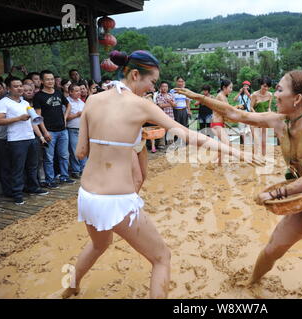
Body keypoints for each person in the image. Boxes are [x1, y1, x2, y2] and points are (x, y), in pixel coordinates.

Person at [61, 49, 259, 299]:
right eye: (151, 82)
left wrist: (113, 144)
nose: (152, 88)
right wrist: (235, 151)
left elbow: (80, 152)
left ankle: (70, 286)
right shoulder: (141, 105)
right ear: (135, 74)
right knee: (162, 258)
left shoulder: (92, 100)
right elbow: (188, 134)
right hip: (116, 200)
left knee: (99, 244)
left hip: (87, 196)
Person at [175, 70, 302, 299]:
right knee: (272, 250)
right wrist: (198, 97)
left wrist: (277, 193)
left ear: (297, 98)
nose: (275, 94)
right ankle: (251, 282)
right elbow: (234, 113)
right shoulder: (279, 121)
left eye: (280, 90)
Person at [0, 77, 48, 205]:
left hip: (30, 138)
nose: (20, 88)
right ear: (8, 88)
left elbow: (32, 121)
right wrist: (18, 118)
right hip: (16, 140)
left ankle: (33, 188)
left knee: (32, 166)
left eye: (21, 86)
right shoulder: (3, 102)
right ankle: (17, 194)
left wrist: (40, 136)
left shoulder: (25, 103)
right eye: (16, 86)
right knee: (17, 168)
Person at [33, 70, 75, 188]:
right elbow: (38, 118)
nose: (50, 81)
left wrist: (65, 118)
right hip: (49, 131)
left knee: (64, 155)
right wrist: (45, 132)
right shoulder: (39, 96)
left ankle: (64, 176)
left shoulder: (58, 92)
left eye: (52, 79)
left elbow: (68, 105)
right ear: (42, 81)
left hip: (62, 129)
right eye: (47, 79)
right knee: (49, 158)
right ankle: (50, 180)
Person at [66, 84, 86, 178]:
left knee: (83, 150)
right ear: (70, 92)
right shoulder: (66, 102)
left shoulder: (82, 102)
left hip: (82, 129)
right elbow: (65, 117)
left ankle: (84, 169)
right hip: (72, 129)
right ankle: (76, 170)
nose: (79, 92)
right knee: (74, 151)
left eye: (80, 90)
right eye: (77, 91)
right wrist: (77, 115)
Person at [250, 77, 273, 155]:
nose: (266, 88)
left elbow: (269, 107)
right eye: (264, 86)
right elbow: (251, 107)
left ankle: (263, 157)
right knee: (257, 141)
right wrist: (256, 115)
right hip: (255, 120)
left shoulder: (270, 95)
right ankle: (256, 157)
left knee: (264, 141)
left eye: (267, 86)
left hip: (265, 120)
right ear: (261, 85)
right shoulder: (255, 94)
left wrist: (270, 112)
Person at [0, 79, 11, 200]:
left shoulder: (10, 102)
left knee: (12, 164)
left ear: (5, 89)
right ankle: (7, 190)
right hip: (0, 138)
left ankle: (13, 188)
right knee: (4, 165)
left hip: (12, 137)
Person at [155, 81, 176, 148]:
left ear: (168, 88)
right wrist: (170, 104)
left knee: (171, 129)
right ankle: (161, 144)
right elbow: (160, 105)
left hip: (170, 115)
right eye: (163, 86)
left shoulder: (170, 95)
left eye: (166, 86)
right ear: (160, 87)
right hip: (162, 116)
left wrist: (169, 100)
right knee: (162, 129)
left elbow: (175, 105)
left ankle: (170, 143)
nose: (164, 88)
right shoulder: (158, 96)